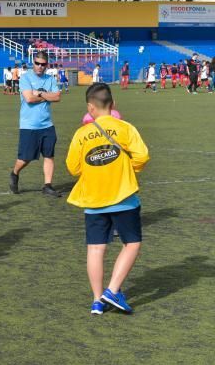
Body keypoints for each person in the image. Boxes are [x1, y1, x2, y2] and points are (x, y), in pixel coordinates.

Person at [66, 83, 150, 315]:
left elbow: (73, 167)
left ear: (89, 108)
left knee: (95, 249)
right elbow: (142, 156)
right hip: (123, 195)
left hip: (93, 198)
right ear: (112, 105)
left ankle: (97, 301)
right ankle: (112, 290)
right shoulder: (125, 128)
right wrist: (126, 168)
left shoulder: (81, 134)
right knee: (131, 243)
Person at [9, 51, 62, 197]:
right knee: (25, 158)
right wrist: (46, 96)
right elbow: (29, 99)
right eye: (37, 63)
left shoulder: (50, 79)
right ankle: (14, 173)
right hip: (29, 125)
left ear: (47, 65)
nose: (40, 66)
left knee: (49, 155)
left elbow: (57, 97)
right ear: (33, 63)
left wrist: (39, 93)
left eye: (43, 64)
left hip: (47, 125)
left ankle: (47, 186)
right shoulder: (25, 78)